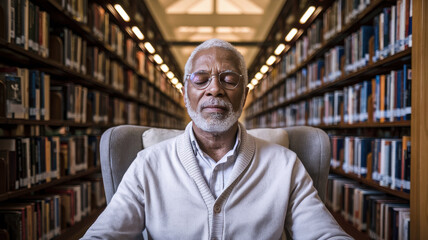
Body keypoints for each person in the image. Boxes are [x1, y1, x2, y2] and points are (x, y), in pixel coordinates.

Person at [82, 39, 352, 239]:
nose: (215, 89)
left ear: (244, 96)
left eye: (229, 79)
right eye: (201, 79)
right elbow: (104, 234)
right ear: (185, 94)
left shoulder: (285, 165)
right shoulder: (148, 164)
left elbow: (323, 234)